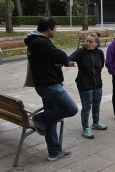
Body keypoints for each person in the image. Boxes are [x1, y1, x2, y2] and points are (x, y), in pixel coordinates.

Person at [24, 16, 78, 161]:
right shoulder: (41, 42)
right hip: (50, 86)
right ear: (49, 28)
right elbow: (59, 55)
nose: (56, 30)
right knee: (71, 109)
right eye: (55, 28)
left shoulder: (34, 42)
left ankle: (54, 151)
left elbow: (54, 59)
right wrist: (62, 61)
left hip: (44, 85)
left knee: (52, 119)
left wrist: (59, 63)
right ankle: (39, 118)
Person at [69, 32, 107, 139]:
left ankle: (96, 122)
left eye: (90, 41)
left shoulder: (100, 53)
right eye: (87, 41)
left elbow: (101, 66)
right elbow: (69, 58)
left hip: (97, 84)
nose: (87, 43)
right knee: (86, 107)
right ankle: (85, 128)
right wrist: (69, 63)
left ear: (96, 43)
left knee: (96, 104)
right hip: (84, 84)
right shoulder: (81, 52)